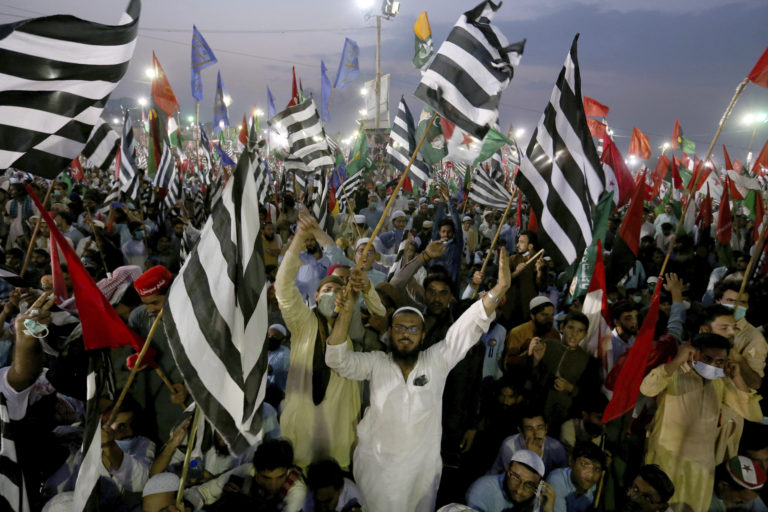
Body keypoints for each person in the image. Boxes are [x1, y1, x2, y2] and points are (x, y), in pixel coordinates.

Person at [324, 249, 512, 512]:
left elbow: (466, 328)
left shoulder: (436, 361)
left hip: (420, 477)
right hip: (376, 472)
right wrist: (345, 315)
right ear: (390, 332)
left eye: (413, 329)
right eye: (399, 327)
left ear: (423, 336)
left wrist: (499, 289)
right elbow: (337, 360)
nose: (405, 334)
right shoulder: (377, 362)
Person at [275, 209, 385, 471]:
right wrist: (300, 237)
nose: (332, 294)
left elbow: (380, 313)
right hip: (301, 430)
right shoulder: (303, 323)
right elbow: (282, 287)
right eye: (327, 289)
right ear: (315, 294)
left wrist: (366, 288)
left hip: (340, 435)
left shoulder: (352, 328)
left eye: (338, 290)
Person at [640, 334, 762, 511]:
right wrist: (676, 362)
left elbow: (754, 414)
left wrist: (737, 378)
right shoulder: (675, 374)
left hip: (700, 471)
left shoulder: (721, 383)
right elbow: (647, 388)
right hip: (665, 462)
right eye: (708, 358)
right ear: (693, 353)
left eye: (720, 361)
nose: (713, 365)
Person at [466, 449, 556, 512]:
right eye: (515, 478)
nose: (519, 490)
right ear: (508, 468)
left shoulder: (541, 498)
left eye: (529, 485)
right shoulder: (481, 490)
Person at [489, 406, 569, 476]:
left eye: (540, 427)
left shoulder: (557, 447)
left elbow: (563, 476)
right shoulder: (509, 445)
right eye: (529, 429)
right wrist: (532, 457)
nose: (536, 433)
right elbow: (516, 480)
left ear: (546, 428)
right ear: (520, 431)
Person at [503, 296, 561, 372]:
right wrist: (528, 354)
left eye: (552, 315)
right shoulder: (517, 332)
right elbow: (508, 363)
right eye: (544, 315)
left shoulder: (554, 334)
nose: (549, 319)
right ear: (532, 316)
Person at [546, 442, 606, 512]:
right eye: (585, 464)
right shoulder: (556, 481)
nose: (591, 475)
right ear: (571, 461)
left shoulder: (594, 487)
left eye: (597, 469)